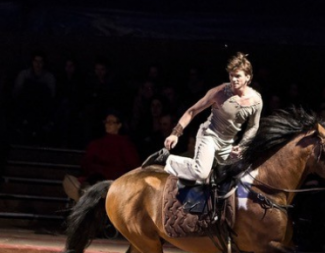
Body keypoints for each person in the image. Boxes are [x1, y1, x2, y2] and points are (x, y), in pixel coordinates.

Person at [141, 52, 263, 185]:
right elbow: (192, 111)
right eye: (231, 76)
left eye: (238, 76)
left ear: (248, 77)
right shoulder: (220, 92)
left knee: (242, 172)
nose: (233, 80)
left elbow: (253, 126)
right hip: (209, 136)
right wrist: (175, 133)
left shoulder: (256, 101)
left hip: (227, 143)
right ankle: (166, 159)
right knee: (202, 172)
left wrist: (242, 146)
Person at [63, 112, 140, 201]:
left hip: (115, 184)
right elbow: (86, 163)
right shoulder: (96, 144)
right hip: (95, 181)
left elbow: (133, 165)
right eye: (106, 122)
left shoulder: (125, 144)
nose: (108, 125)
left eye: (111, 122)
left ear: (119, 125)